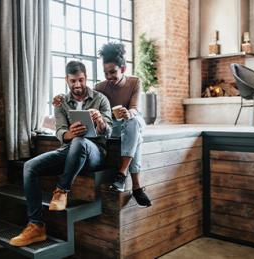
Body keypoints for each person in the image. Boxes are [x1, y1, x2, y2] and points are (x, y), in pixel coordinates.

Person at [10, 61, 112, 247]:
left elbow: (109, 131)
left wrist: (100, 122)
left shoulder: (101, 99)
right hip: (70, 148)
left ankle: (62, 190)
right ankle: (36, 226)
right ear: (67, 80)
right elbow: (60, 132)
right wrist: (69, 134)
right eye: (73, 81)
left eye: (81, 80)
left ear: (86, 77)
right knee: (29, 166)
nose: (78, 85)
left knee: (81, 142)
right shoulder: (61, 103)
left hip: (95, 152)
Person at [53, 43, 151, 208]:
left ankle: (122, 173)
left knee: (134, 124)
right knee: (137, 139)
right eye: (105, 73)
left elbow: (134, 108)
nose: (109, 77)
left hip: (132, 120)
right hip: (113, 126)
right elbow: (81, 93)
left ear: (123, 68)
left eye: (113, 72)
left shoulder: (135, 82)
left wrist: (129, 113)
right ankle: (136, 187)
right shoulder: (100, 87)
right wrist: (62, 97)